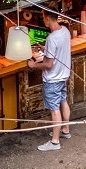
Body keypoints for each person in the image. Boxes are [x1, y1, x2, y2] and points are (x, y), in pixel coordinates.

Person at [29, 12, 71, 152]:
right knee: (63, 101)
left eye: (43, 18)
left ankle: (55, 141)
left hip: (53, 79)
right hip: (63, 75)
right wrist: (45, 49)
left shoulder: (51, 38)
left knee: (54, 109)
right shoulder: (65, 31)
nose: (43, 20)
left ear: (47, 19)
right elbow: (57, 51)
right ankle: (65, 129)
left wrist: (34, 65)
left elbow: (48, 64)